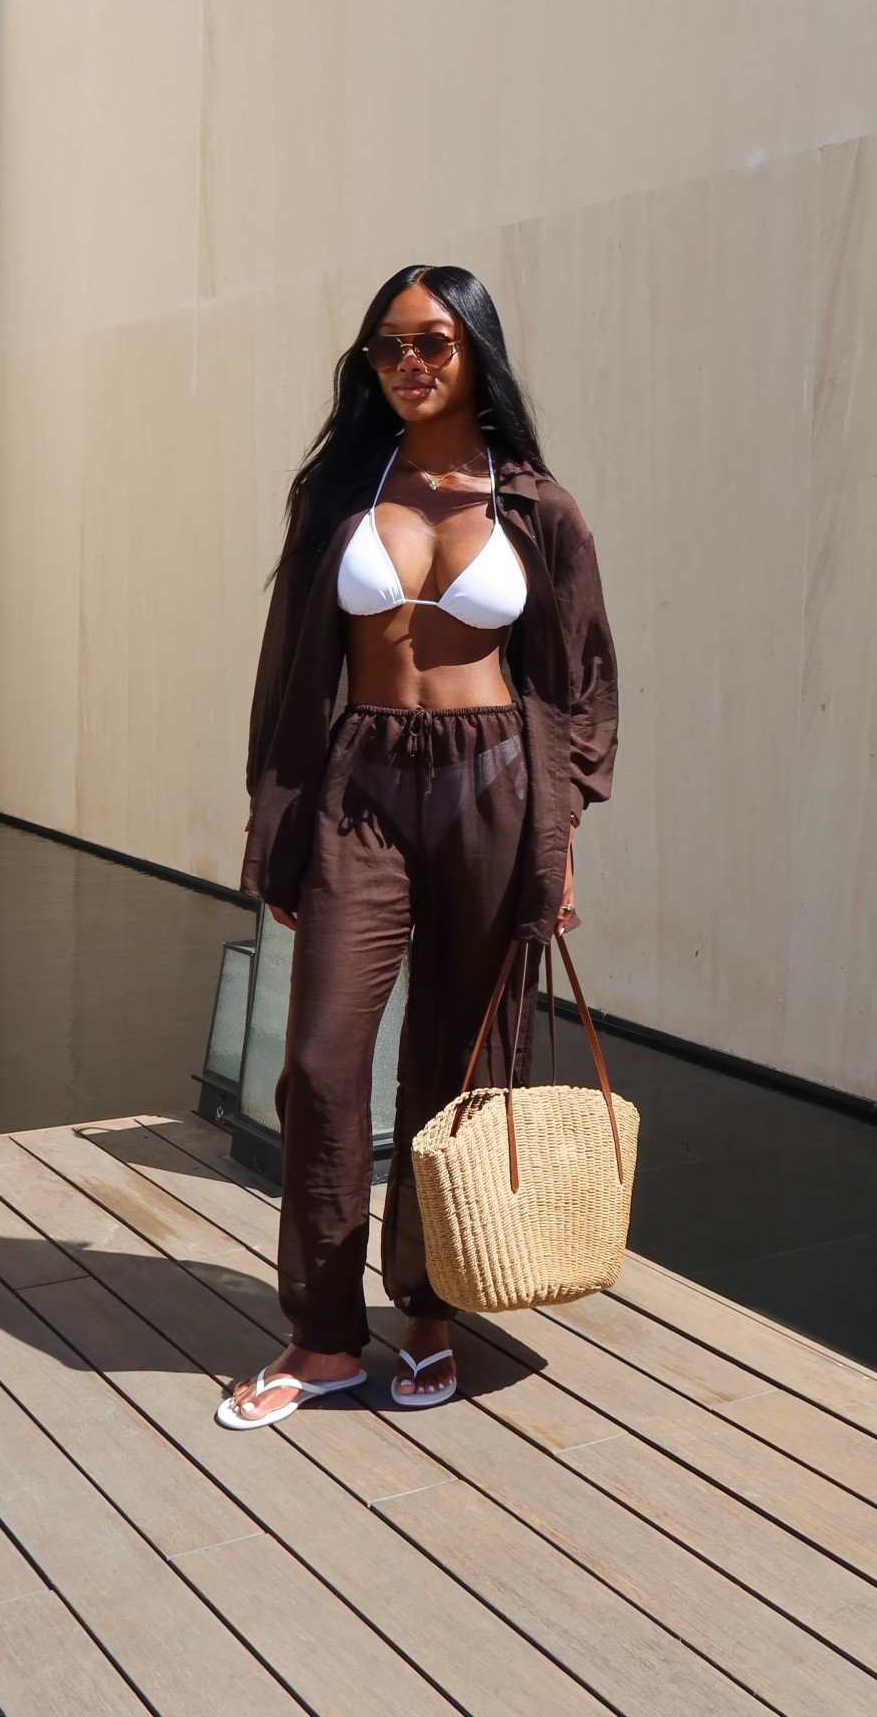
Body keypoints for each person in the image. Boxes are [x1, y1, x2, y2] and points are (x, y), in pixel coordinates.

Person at [218, 264, 618, 1428]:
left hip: (496, 781)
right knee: (322, 1061)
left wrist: (562, 832)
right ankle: (324, 1335)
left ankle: (432, 1308)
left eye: (435, 343)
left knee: (459, 1058)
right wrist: (280, 826)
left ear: (476, 355)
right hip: (365, 789)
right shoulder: (344, 490)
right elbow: (291, 670)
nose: (411, 364)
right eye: (391, 345)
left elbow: (580, 679)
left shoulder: (537, 504)